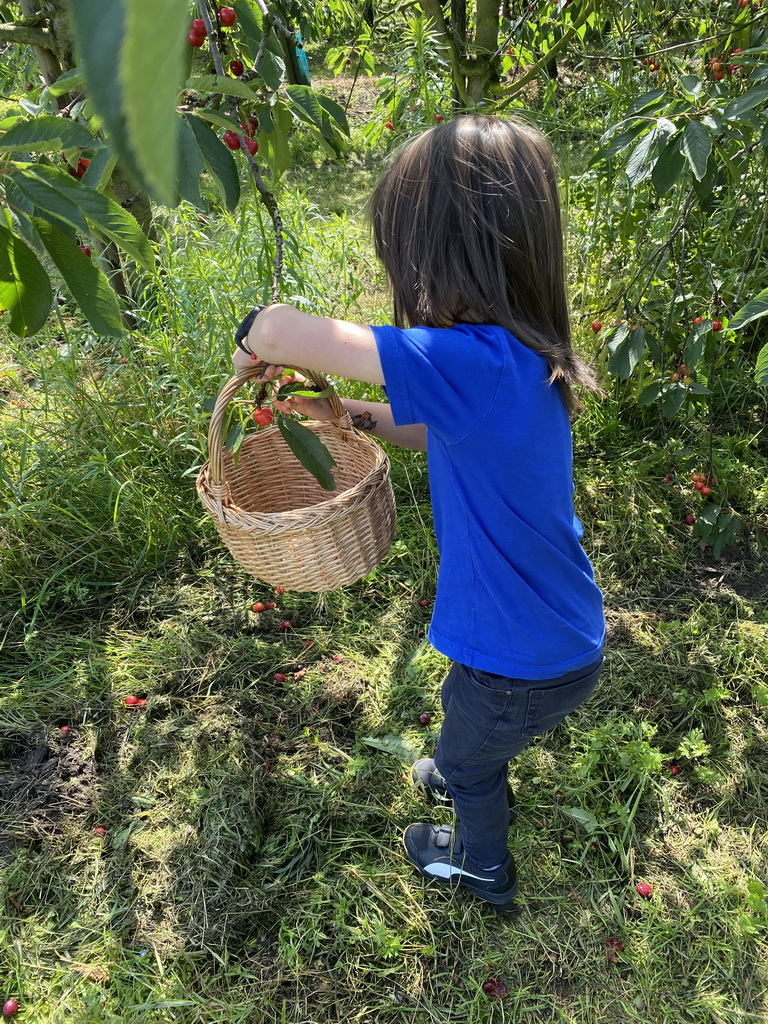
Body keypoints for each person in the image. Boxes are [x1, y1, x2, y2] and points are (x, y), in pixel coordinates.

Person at [231, 114, 605, 907]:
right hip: (550, 631)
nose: (411, 282)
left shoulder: (469, 359)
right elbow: (434, 427)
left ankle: (482, 866)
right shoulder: (515, 355)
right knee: (466, 715)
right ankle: (464, 762)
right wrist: (360, 417)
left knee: (470, 751)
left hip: (521, 657)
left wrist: (255, 336)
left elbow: (287, 332)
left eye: (411, 258)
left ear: (454, 255)